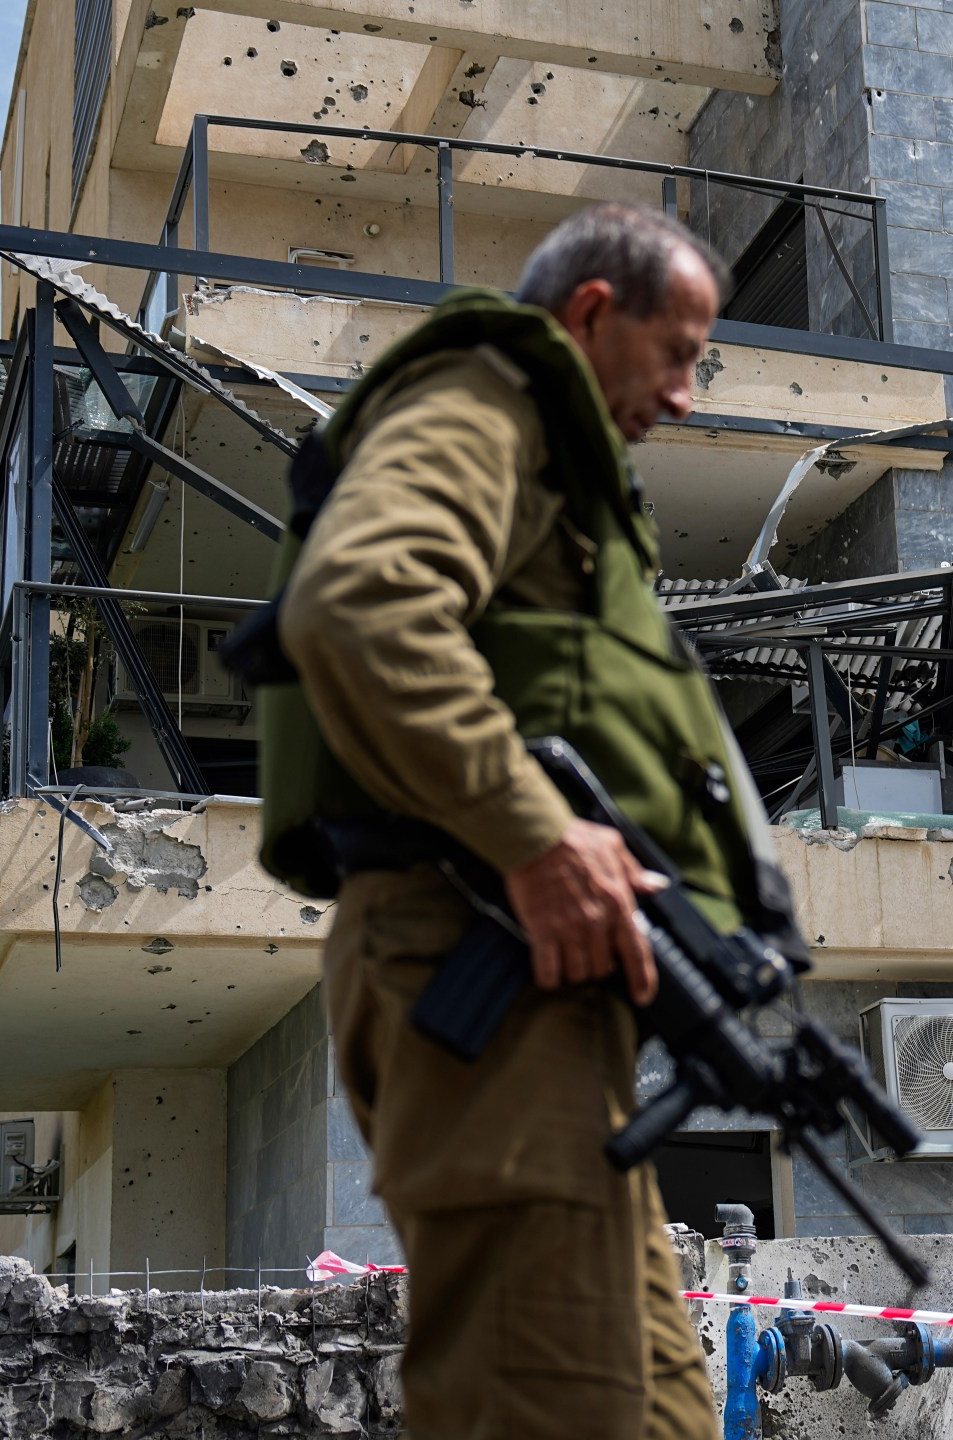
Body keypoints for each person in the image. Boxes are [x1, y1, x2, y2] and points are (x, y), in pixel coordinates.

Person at [268, 203, 752, 1440]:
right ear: (593, 313)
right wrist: (535, 834)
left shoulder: (558, 469)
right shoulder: (487, 402)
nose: (688, 394)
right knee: (545, 1406)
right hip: (470, 959)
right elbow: (361, 603)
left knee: (652, 1411)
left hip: (552, 1007)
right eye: (679, 352)